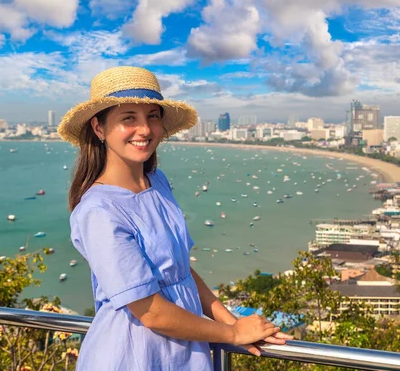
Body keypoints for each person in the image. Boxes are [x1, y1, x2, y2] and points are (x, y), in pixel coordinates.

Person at [58, 66, 292, 370]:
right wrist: (231, 333)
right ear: (99, 128)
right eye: (128, 117)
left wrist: (233, 323)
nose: (144, 129)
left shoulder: (157, 182)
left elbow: (180, 271)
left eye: (152, 116)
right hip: (133, 355)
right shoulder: (99, 211)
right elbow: (150, 311)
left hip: (183, 349)